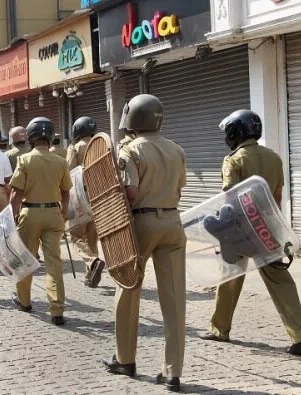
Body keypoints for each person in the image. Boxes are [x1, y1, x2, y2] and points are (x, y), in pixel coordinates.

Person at [199, 110, 301, 356]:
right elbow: (277, 197)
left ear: (235, 132)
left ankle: (220, 329)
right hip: (267, 228)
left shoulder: (233, 160)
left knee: (230, 278)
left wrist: (225, 236)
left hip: (240, 231)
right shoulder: (273, 157)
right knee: (281, 281)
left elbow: (230, 200)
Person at [102, 94, 187, 392]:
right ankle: (173, 371)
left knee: (128, 288)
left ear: (131, 118)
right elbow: (180, 187)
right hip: (174, 223)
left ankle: (126, 359)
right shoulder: (176, 149)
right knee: (174, 298)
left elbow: (132, 194)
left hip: (142, 222)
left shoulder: (130, 151)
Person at [9, 117, 72, 326]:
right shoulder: (61, 161)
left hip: (30, 214)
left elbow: (16, 194)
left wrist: (11, 216)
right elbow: (66, 194)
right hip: (54, 215)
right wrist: (62, 214)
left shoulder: (25, 160)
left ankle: (24, 301)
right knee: (54, 264)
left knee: (26, 260)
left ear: (31, 137)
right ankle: (57, 309)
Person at [66, 116, 106, 288]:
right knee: (92, 236)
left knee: (75, 234)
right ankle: (90, 274)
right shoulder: (102, 145)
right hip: (98, 196)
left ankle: (92, 261)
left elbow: (68, 171)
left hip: (80, 196)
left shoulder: (75, 147)